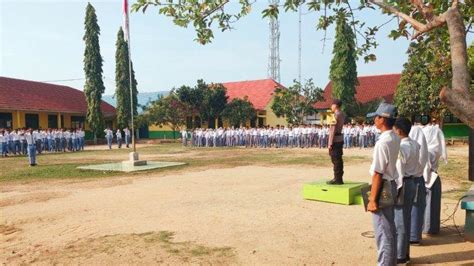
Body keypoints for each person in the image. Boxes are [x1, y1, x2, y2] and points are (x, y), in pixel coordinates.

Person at [366, 103, 400, 266]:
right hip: (391, 183)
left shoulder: (383, 142)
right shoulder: (394, 137)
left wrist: (373, 199)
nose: (374, 119)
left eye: (377, 117)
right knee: (389, 230)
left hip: (383, 187)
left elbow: (378, 173)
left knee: (383, 233)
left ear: (383, 119)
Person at [393, 117, 419, 264]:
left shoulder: (402, 147)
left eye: (394, 129)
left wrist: (396, 190)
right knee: (406, 218)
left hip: (403, 183)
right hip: (412, 181)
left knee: (400, 222)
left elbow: (399, 170)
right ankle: (405, 253)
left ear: (399, 131)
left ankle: (400, 256)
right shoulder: (415, 144)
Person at [422, 119, 447, 235]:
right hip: (435, 177)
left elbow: (426, 167)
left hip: (427, 177)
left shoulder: (427, 150)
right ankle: (433, 227)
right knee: (434, 205)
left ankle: (426, 228)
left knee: (426, 204)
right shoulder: (436, 149)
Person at [408, 124, 429, 244]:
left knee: (412, 208)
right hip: (418, 178)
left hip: (411, 178)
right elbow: (423, 159)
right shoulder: (420, 146)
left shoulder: (409, 146)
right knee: (417, 207)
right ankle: (415, 235)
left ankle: (413, 236)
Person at [327, 99, 346, 185]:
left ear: (336, 105)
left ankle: (337, 178)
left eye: (332, 105)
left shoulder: (334, 115)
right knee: (339, 158)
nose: (331, 106)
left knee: (335, 159)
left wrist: (330, 143)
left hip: (335, 139)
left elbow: (332, 130)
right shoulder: (342, 114)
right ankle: (339, 178)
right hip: (340, 139)